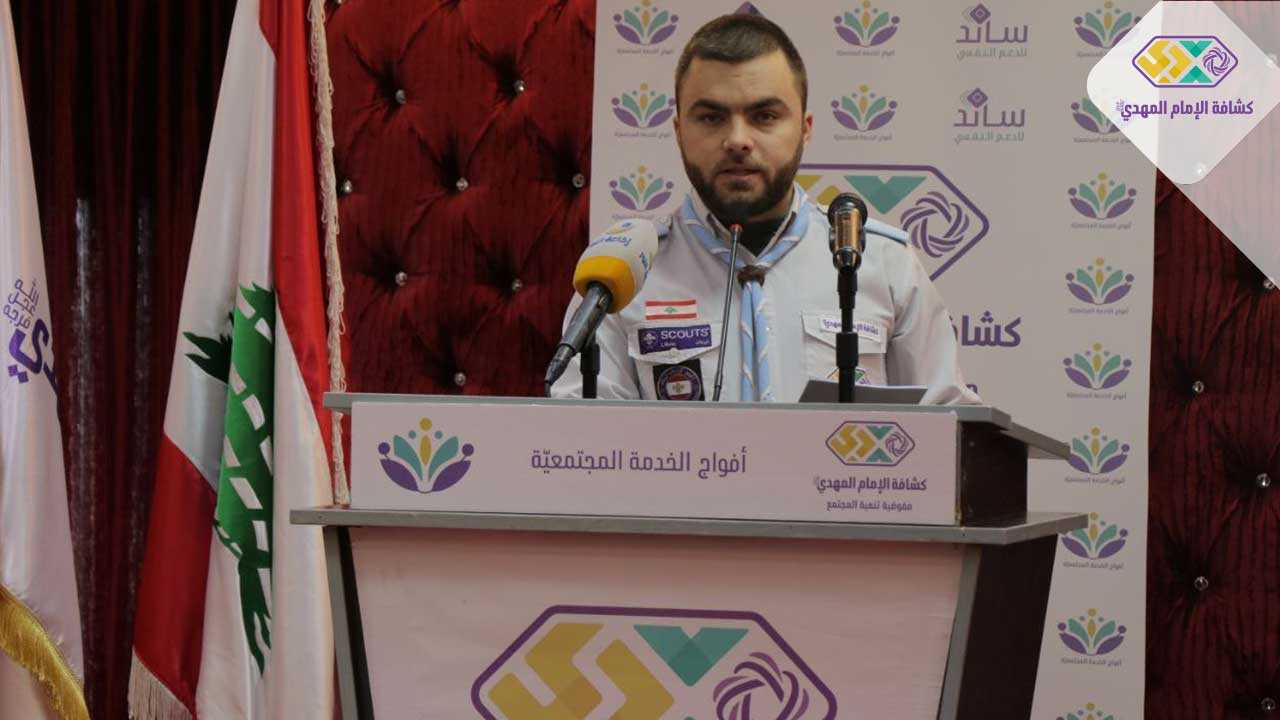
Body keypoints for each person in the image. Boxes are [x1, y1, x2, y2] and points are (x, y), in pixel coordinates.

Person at [552, 13, 978, 405]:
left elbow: (949, 426)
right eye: (711, 118)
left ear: (805, 129)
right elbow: (579, 439)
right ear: (679, 131)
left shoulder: (881, 264)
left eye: (765, 116)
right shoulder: (624, 276)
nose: (738, 140)